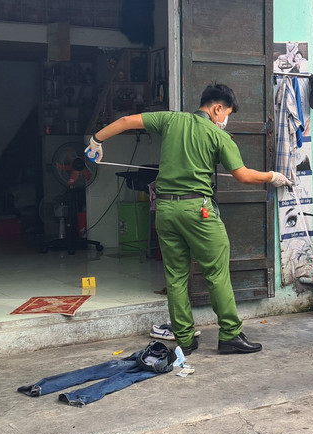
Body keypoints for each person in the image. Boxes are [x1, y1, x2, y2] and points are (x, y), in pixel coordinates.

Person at [86, 84, 290, 355]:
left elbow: (125, 121)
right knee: (216, 274)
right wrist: (271, 177)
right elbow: (242, 175)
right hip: (198, 211)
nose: (225, 120)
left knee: (176, 276)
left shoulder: (170, 119)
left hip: (165, 211)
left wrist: (96, 141)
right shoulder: (218, 136)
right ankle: (229, 334)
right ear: (218, 108)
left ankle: (185, 339)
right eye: (226, 114)